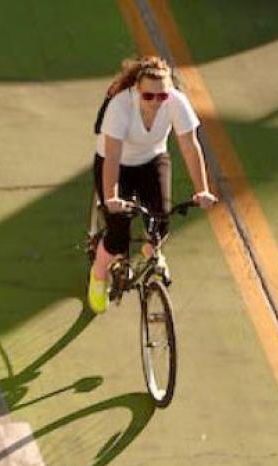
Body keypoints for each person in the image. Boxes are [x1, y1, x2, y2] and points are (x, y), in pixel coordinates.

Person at [88, 55, 217, 314]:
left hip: (152, 159)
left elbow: (190, 147)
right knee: (117, 235)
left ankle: (151, 252)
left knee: (161, 222)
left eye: (163, 96)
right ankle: (98, 273)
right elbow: (112, 155)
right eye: (149, 96)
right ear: (137, 90)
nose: (157, 102)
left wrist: (202, 189)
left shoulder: (176, 102)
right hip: (117, 164)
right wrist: (111, 197)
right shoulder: (120, 106)